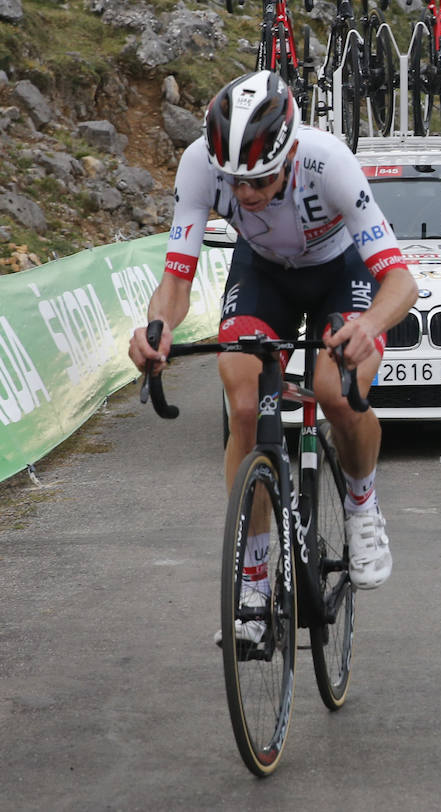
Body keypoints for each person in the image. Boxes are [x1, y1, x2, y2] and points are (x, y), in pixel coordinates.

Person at [128, 70, 418, 641]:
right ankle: (255, 582)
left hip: (340, 274)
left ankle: (362, 506)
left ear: (289, 154)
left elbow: (401, 283)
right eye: (234, 182)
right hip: (264, 274)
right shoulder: (198, 167)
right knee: (240, 401)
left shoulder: (328, 163)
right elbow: (176, 281)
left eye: (259, 180)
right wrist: (155, 328)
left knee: (337, 392)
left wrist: (370, 325)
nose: (244, 195)